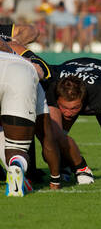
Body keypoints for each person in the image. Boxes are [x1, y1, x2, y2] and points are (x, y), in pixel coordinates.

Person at [9, 43, 101, 185]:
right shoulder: (51, 81)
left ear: (83, 101)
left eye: (74, 108)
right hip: (72, 67)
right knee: (53, 141)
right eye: (64, 107)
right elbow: (21, 49)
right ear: (58, 98)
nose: (68, 113)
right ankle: (72, 167)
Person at [0, 42, 60, 196]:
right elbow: (47, 137)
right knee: (17, 149)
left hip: (19, 68)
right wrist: (55, 180)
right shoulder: (29, 67)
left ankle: (14, 170)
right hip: (21, 73)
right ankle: (16, 166)